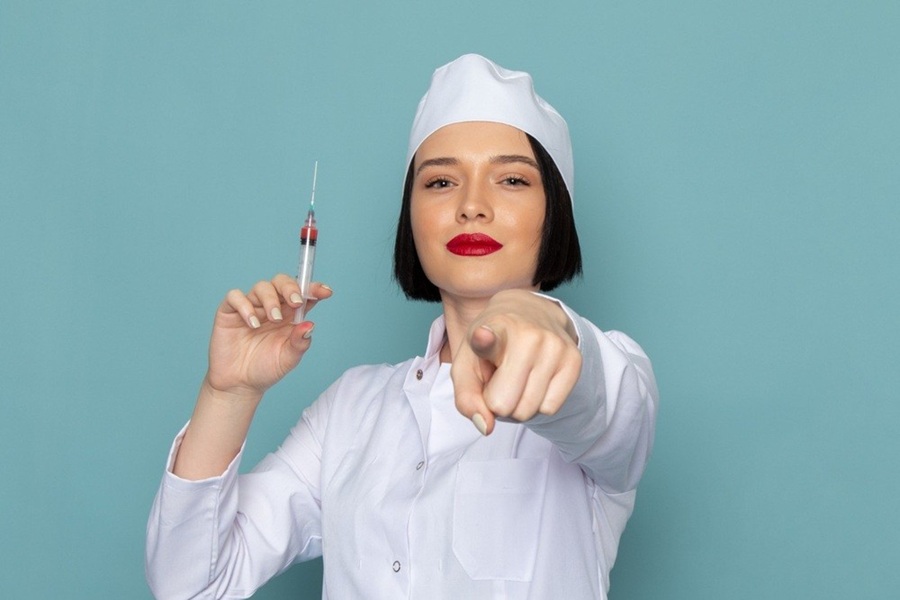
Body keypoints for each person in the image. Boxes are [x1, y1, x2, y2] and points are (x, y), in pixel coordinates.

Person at [146, 54, 658, 599]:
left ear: (555, 211)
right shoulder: (349, 411)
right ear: (410, 217)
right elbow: (191, 584)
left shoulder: (609, 372)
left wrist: (548, 321)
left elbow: (601, 402)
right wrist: (228, 393)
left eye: (511, 179)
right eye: (440, 181)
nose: (472, 206)